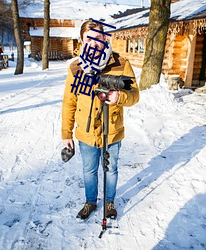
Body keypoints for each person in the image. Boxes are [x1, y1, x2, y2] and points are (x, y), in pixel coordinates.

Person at [61, 20, 139, 220]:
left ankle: (110, 202)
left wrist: (119, 97)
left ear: (104, 38)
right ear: (82, 41)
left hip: (112, 130)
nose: (94, 43)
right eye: (89, 39)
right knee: (89, 170)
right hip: (86, 133)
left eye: (98, 38)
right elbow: (69, 102)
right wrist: (66, 134)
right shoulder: (75, 68)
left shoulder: (121, 64)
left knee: (110, 168)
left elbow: (134, 95)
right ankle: (90, 202)